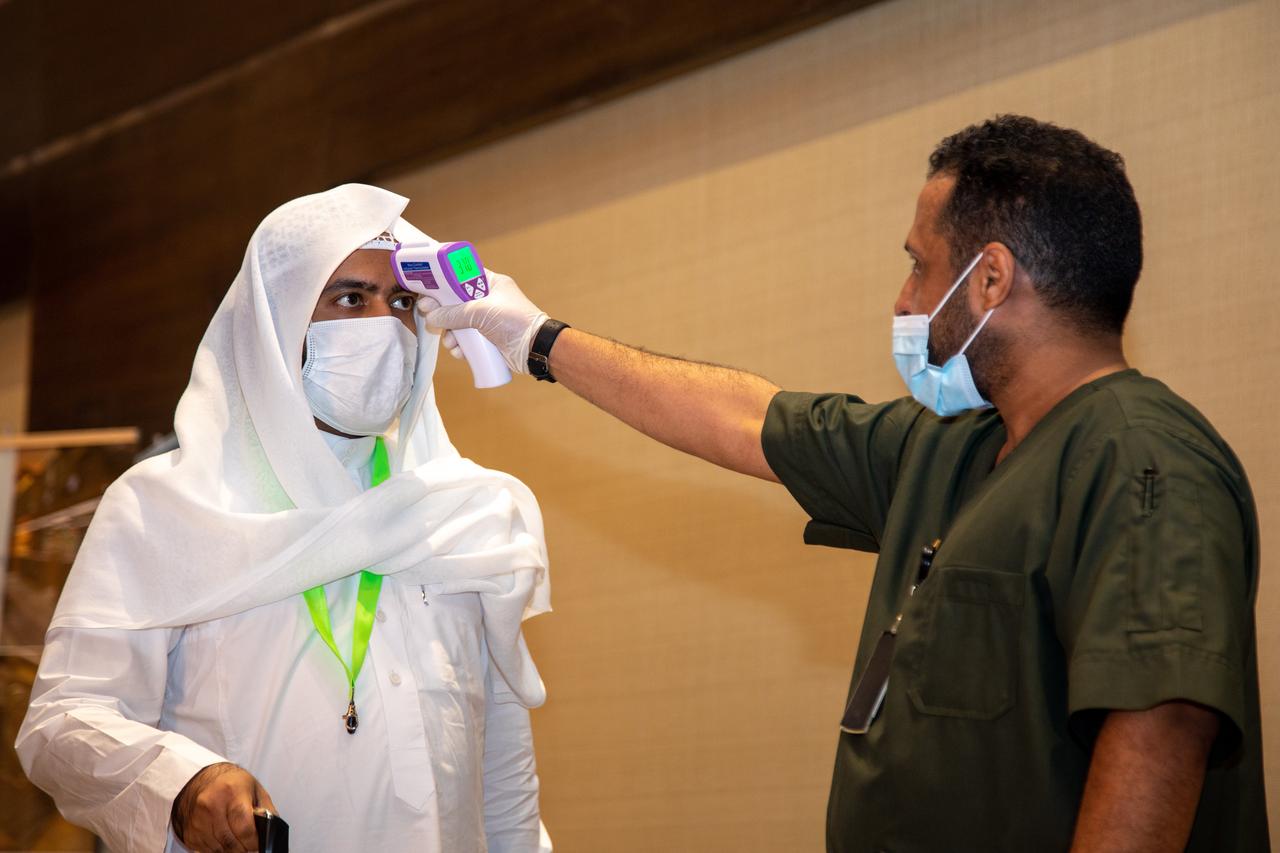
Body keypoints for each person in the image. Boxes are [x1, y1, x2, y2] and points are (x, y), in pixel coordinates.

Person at [422, 115, 1268, 851]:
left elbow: (1160, 728)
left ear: (992, 277)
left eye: (919, 265)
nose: (904, 296)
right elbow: (747, 419)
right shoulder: (949, 449)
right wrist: (536, 336)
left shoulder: (1145, 459)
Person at [17, 184, 554, 853]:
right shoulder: (165, 507)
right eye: (352, 298)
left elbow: (502, 770)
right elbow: (63, 724)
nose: (386, 324)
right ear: (278, 322)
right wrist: (184, 784)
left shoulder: (466, 514)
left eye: (404, 302)